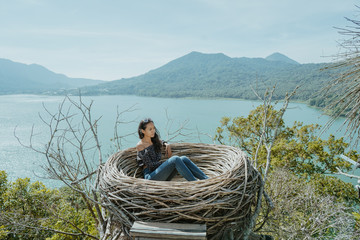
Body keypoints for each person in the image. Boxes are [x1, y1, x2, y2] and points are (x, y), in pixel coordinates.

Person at [136, 118, 209, 181]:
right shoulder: (140, 145)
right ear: (143, 131)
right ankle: (194, 183)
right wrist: (167, 162)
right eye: (150, 129)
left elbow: (162, 141)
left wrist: (166, 144)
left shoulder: (154, 141)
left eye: (154, 128)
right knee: (175, 159)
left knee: (183, 158)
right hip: (151, 177)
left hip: (161, 174)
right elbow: (151, 166)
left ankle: (206, 179)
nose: (153, 131)